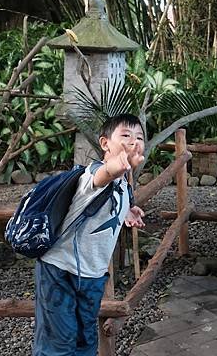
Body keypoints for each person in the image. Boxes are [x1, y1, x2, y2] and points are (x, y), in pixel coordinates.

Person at [33, 113, 146, 356]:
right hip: (60, 271)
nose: (134, 141)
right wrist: (116, 167)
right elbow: (103, 177)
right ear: (105, 143)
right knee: (58, 344)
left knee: (85, 340)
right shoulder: (93, 175)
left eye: (139, 137)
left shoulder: (124, 185)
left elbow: (111, 201)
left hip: (92, 275)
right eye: (125, 136)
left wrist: (128, 211)